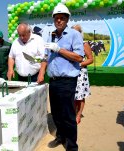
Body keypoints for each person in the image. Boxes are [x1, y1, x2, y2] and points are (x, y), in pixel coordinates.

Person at [43, 3, 85, 150]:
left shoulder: (74, 34)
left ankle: (72, 146)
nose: (59, 20)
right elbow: (47, 57)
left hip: (67, 81)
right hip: (53, 81)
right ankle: (60, 137)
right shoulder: (51, 35)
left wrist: (59, 49)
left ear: (67, 19)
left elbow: (79, 57)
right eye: (56, 18)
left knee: (68, 115)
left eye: (62, 18)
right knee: (56, 113)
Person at [71, 24, 93, 124]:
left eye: (76, 32)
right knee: (72, 95)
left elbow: (90, 59)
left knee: (80, 96)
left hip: (81, 73)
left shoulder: (84, 44)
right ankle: (72, 112)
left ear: (80, 33)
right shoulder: (70, 44)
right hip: (71, 72)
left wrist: (79, 64)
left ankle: (78, 115)